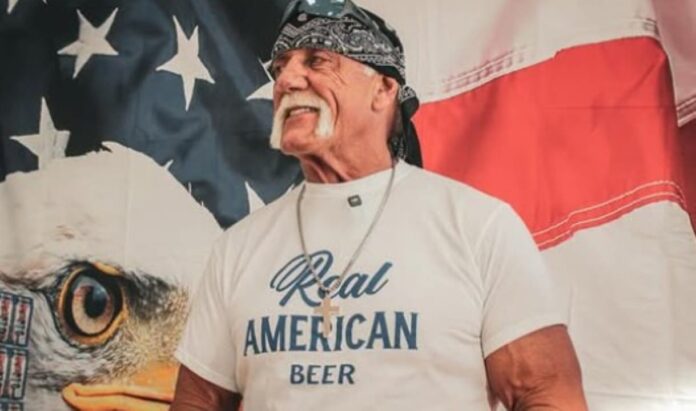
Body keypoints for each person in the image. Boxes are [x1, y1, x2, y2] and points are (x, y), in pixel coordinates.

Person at [171, 0, 588, 409]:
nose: (287, 81)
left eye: (317, 61)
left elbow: (546, 394)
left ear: (384, 89)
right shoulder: (239, 247)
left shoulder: (476, 226)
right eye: (280, 67)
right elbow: (198, 402)